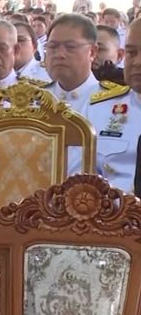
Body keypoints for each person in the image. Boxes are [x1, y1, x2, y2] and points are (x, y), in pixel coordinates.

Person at [86, 17, 141, 194]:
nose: (137, 62)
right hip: (110, 215)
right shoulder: (98, 109)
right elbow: (78, 180)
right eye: (132, 53)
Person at [44, 14, 101, 114]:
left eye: (70, 47)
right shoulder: (35, 99)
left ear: (92, 52)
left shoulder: (113, 103)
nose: (59, 54)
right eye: (52, 47)